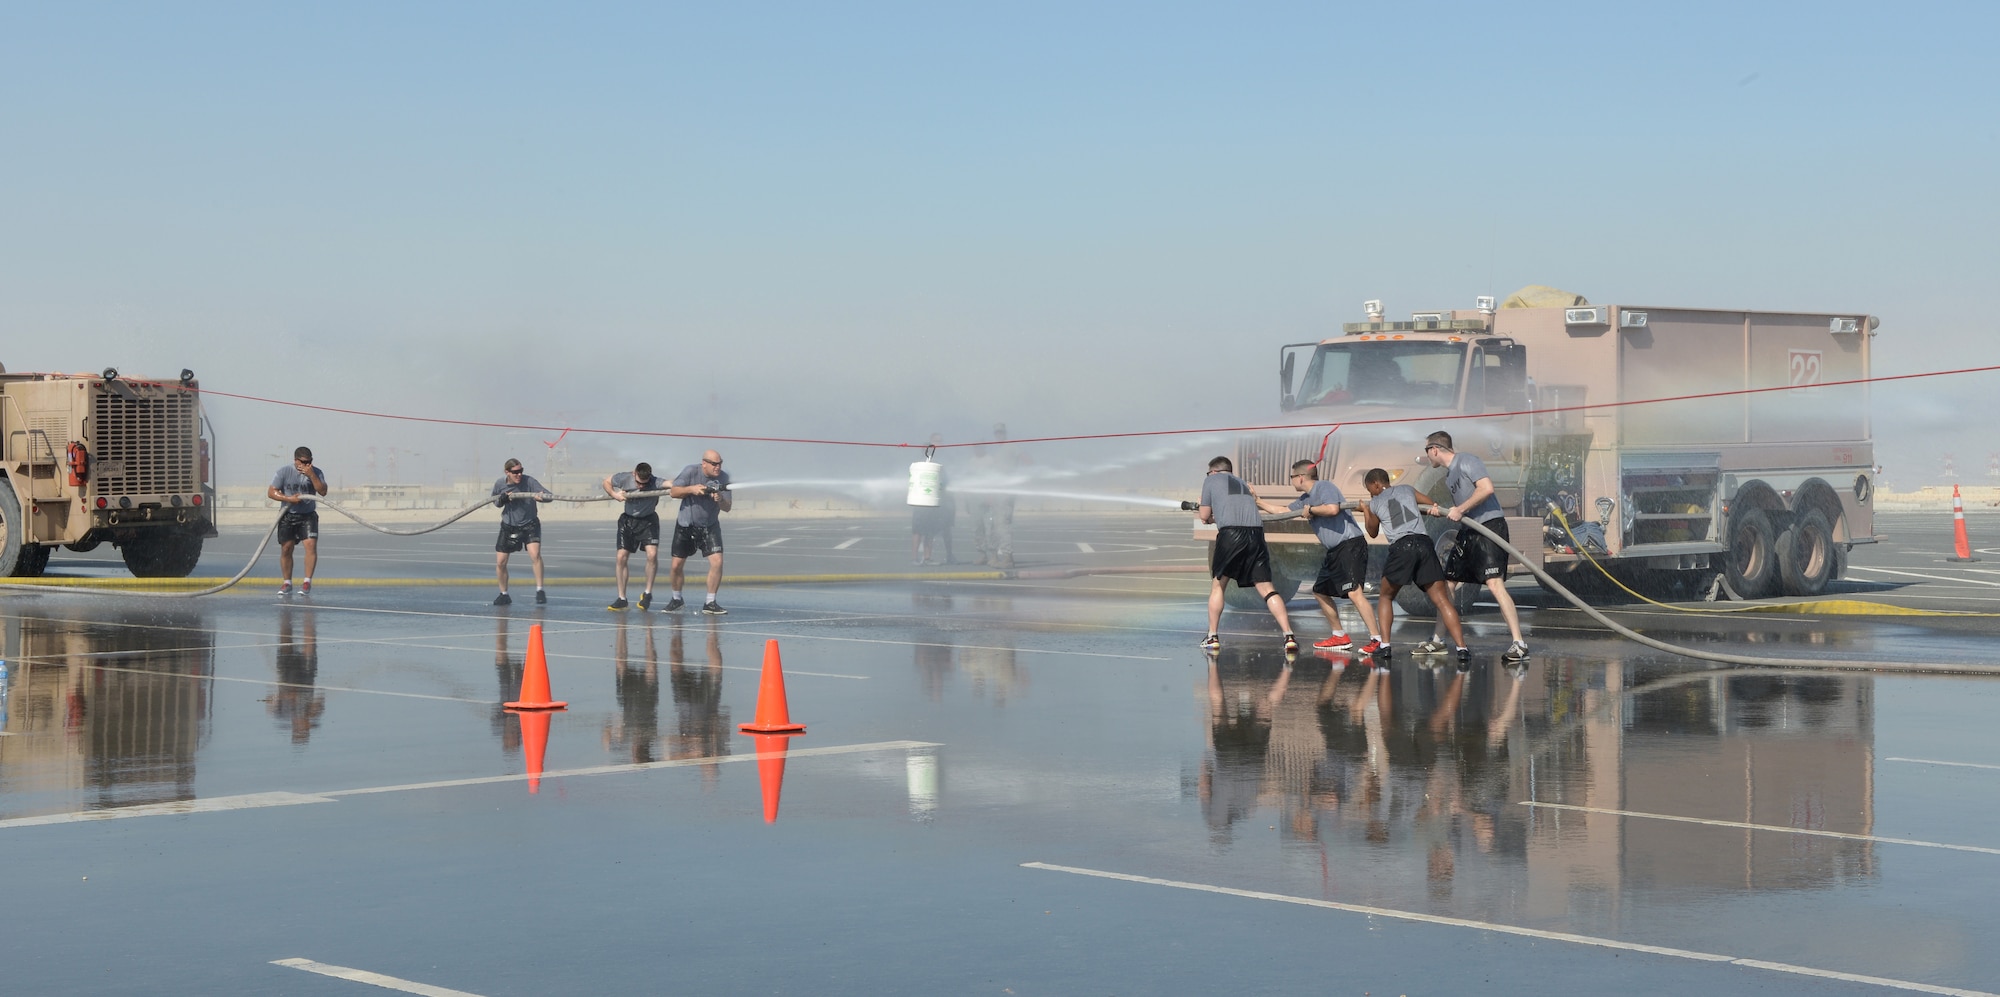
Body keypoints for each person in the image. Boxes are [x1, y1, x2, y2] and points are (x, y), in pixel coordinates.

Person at [1422, 431, 1529, 661]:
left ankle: (1519, 643)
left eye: (1426, 451)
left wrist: (1459, 510)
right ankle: (1438, 640)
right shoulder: (1449, 477)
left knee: (1494, 584)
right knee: (1447, 584)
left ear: (1435, 449)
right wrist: (1443, 511)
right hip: (1469, 531)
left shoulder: (1467, 460)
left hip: (1489, 527)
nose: (1427, 457)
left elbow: (1486, 488)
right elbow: (1461, 508)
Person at [1361, 467, 1468, 664]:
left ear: (1376, 484)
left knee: (1385, 595)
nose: (1370, 493)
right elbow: (1430, 503)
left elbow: (1372, 531)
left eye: (1370, 489)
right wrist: (1429, 509)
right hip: (1424, 543)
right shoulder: (1407, 489)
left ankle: (1385, 646)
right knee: (1442, 600)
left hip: (1402, 547)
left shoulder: (1375, 501)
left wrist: (1367, 509)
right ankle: (1462, 649)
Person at [1197, 455, 1298, 654]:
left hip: (1231, 534)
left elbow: (1204, 516)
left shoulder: (1211, 480)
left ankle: (1212, 637)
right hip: (1256, 534)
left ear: (1214, 471)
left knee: (1219, 584)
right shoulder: (1242, 483)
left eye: (1209, 472)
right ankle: (1289, 636)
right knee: (1267, 588)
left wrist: (1203, 507)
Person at [1281, 458, 1384, 652]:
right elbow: (1281, 511)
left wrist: (1311, 511)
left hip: (1350, 545)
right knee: (1320, 591)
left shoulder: (1324, 487)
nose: (1291, 481)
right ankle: (1339, 636)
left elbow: (1332, 508)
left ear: (1301, 477)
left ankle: (1377, 640)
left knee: (1354, 592)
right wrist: (1257, 501)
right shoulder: (1304, 500)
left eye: (1292, 477)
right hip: (1335, 551)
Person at [668, 449, 733, 614]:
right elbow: (674, 491)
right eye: (714, 464)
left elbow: (728, 508)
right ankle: (676, 599)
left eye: (720, 463)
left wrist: (720, 499)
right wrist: (691, 489)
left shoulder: (724, 478)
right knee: (676, 565)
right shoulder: (690, 471)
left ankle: (710, 602)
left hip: (710, 526)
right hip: (686, 525)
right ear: (704, 463)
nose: (717, 467)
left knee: (717, 562)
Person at [602, 461, 667, 610]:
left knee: (652, 555)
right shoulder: (624, 478)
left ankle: (648, 593)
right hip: (628, 520)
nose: (641, 487)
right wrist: (614, 494)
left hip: (648, 520)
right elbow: (606, 481)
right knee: (621, 557)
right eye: (638, 483)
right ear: (634, 474)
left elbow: (673, 484)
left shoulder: (655, 481)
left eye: (644, 484)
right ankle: (622, 598)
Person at [491, 458, 553, 606]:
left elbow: (549, 496)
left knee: (535, 554)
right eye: (515, 472)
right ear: (507, 472)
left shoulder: (529, 482)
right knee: (500, 562)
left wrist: (541, 497)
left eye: (521, 471)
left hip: (529, 524)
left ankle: (540, 590)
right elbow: (495, 502)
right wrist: (503, 500)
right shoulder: (500, 484)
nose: (519, 475)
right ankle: (504, 594)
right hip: (509, 525)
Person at [267, 446, 328, 596]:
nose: (307, 465)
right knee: (286, 548)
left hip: (308, 515)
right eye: (304, 462)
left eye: (310, 462)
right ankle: (287, 583)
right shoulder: (284, 472)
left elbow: (323, 491)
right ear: (296, 461)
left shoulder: (316, 472)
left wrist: (312, 475)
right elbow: (271, 492)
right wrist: (288, 499)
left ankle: (307, 582)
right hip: (288, 515)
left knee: (310, 545)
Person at [970, 423, 1018, 568]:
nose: (999, 435)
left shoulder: (1003, 452)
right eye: (997, 433)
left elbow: (1022, 460)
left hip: (1000, 496)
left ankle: (1005, 557)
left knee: (999, 526)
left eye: (1001, 433)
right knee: (990, 526)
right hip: (986, 497)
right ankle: (992, 556)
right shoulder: (978, 459)